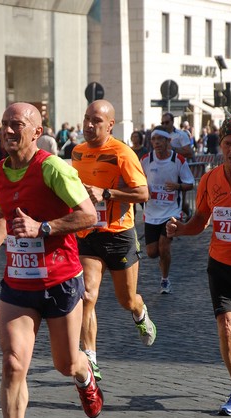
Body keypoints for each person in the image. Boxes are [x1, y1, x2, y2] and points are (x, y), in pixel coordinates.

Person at [0, 102, 103, 418]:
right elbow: (3, 216)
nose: (8, 132)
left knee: (66, 363)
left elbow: (89, 216)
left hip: (60, 281)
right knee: (14, 363)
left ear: (36, 129)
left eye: (17, 125)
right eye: (4, 125)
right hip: (18, 283)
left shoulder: (52, 167)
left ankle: (85, 376)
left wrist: (43, 228)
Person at [166, 116, 231, 416]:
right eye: (227, 144)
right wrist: (179, 229)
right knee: (227, 328)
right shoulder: (210, 179)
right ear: (221, 146)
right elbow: (200, 221)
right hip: (220, 265)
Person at [71, 99, 156, 382]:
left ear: (110, 125)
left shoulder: (122, 153)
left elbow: (143, 193)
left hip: (119, 235)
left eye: (96, 120)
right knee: (87, 296)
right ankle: (90, 358)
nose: (89, 125)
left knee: (126, 299)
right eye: (86, 119)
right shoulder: (78, 152)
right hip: (89, 233)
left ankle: (140, 313)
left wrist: (107, 194)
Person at [141, 126, 194, 294]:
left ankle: (165, 280)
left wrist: (177, 186)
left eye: (160, 139)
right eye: (154, 140)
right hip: (151, 213)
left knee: (164, 247)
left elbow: (190, 183)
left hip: (171, 211)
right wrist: (144, 189)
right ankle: (163, 261)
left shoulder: (178, 160)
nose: (156, 143)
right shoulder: (145, 159)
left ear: (168, 141)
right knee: (151, 252)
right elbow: (138, 181)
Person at [161, 112, 194, 219]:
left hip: (178, 171)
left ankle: (186, 213)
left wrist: (173, 149)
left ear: (172, 122)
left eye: (167, 122)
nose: (165, 125)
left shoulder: (181, 135)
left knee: (179, 200)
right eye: (163, 123)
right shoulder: (160, 136)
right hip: (164, 170)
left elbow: (189, 152)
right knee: (165, 199)